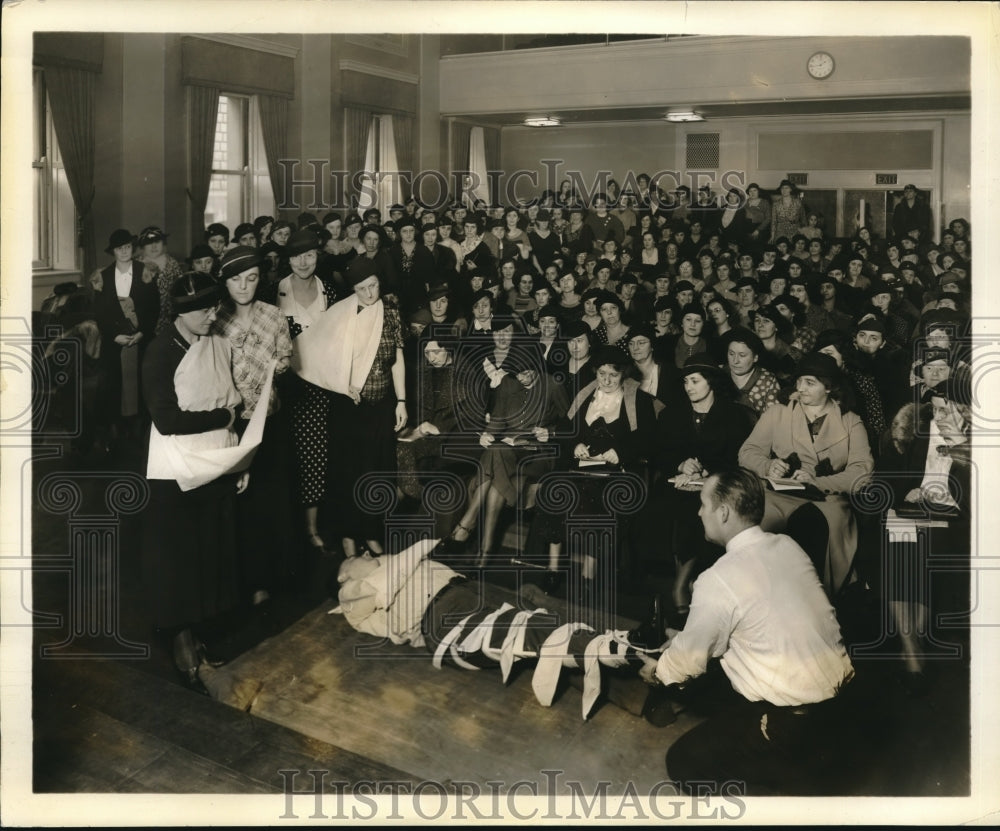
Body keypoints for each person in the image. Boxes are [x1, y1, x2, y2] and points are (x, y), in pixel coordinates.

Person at [637, 469, 855, 795]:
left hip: (792, 724)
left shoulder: (717, 579)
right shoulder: (787, 546)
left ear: (723, 512)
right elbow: (763, 620)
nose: (698, 512)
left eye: (703, 504)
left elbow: (684, 666)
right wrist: (684, 639)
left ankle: (782, 794)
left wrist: (657, 671)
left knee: (683, 762)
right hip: (840, 708)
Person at [141, 272, 249, 692]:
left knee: (209, 552)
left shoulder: (212, 343)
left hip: (213, 461)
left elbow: (231, 399)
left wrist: (237, 460)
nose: (213, 315)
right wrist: (222, 418)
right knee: (180, 559)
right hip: (176, 468)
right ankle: (181, 638)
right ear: (181, 312)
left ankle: (199, 631)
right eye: (205, 310)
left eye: (213, 307)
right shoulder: (159, 352)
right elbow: (167, 419)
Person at [738, 352, 874, 593]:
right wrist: (768, 466)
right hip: (778, 494)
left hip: (826, 498)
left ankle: (817, 599)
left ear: (829, 387)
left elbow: (862, 472)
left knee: (815, 528)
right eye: (799, 381)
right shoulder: (778, 413)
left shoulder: (851, 421)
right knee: (759, 529)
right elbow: (748, 451)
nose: (801, 388)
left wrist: (818, 481)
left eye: (810, 383)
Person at [213, 246, 294, 605]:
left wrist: (279, 369)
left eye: (251, 278)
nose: (244, 286)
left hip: (270, 424)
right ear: (224, 281)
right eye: (235, 279)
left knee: (269, 500)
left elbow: (287, 361)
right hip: (232, 427)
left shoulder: (274, 316)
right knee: (239, 504)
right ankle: (240, 579)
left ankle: (270, 575)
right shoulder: (215, 322)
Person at [444, 339, 568, 566]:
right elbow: (498, 419)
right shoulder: (508, 384)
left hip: (538, 452)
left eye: (526, 373)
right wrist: (487, 434)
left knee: (496, 456)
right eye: (517, 375)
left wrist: (550, 431)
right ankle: (485, 549)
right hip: (509, 451)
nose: (521, 378)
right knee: (496, 455)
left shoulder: (552, 385)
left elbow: (570, 424)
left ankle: (466, 526)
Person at [320, 257, 408, 559]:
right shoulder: (341, 314)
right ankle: (347, 536)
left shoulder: (392, 313)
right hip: (348, 406)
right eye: (362, 289)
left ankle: (371, 534)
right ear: (353, 289)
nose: (370, 294)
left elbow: (397, 360)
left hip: (381, 405)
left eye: (373, 286)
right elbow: (323, 359)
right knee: (348, 473)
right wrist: (343, 383)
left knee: (377, 472)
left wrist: (402, 401)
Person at [91, 228, 160, 448]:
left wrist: (142, 333)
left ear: (133, 248)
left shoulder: (145, 272)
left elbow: (153, 308)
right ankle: (116, 429)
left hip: (141, 339)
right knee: (114, 383)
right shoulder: (102, 276)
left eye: (128, 247)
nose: (124, 251)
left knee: (140, 382)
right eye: (119, 248)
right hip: (115, 342)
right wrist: (114, 336)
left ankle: (139, 429)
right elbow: (100, 313)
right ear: (113, 251)